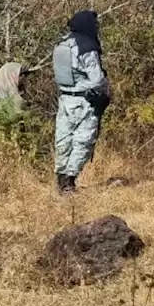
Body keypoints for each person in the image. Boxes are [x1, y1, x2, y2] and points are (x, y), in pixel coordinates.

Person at [52, 11, 111, 194]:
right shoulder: (87, 47)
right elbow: (97, 78)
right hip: (84, 101)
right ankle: (69, 182)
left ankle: (61, 178)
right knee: (83, 141)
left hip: (64, 99)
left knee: (63, 140)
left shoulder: (61, 44)